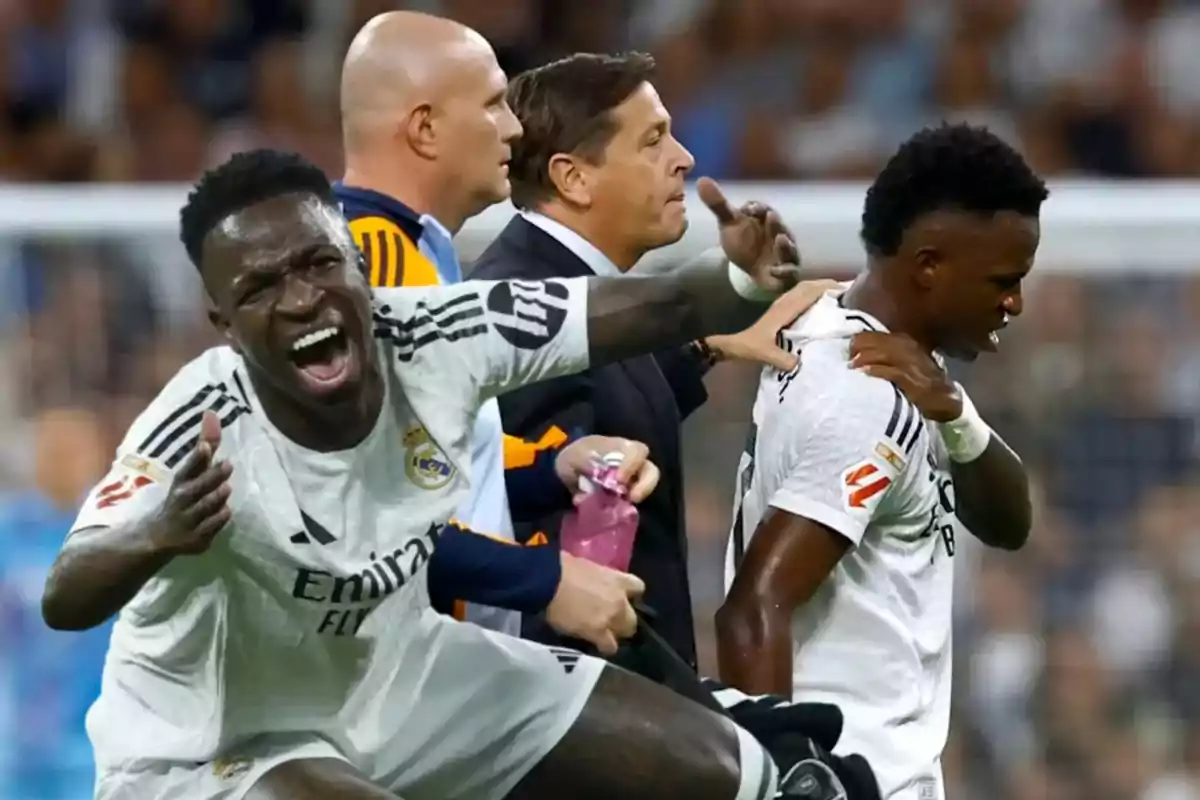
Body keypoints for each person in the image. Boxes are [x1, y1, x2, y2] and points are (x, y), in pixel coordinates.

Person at [41, 148, 834, 800]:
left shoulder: (438, 337)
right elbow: (67, 592)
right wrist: (155, 533)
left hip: (404, 678)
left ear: (357, 262)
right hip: (214, 744)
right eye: (259, 288)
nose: (302, 299)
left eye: (319, 263)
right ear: (223, 323)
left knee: (735, 773)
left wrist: (735, 280)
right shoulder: (202, 425)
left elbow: (652, 308)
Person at [716, 122, 1044, 800]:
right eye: (1003, 280)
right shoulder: (870, 394)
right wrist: (784, 777)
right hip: (855, 774)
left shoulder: (861, 340)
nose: (1014, 302)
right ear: (928, 266)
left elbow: (1011, 525)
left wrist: (955, 412)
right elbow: (753, 607)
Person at [471, 50, 826, 669]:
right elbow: (563, 551)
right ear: (573, 177)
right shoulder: (528, 309)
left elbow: (606, 396)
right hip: (586, 712)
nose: (684, 159)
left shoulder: (568, 289)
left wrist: (705, 346)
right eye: (654, 140)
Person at [336, 8, 654, 648]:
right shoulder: (370, 272)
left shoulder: (413, 257)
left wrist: (552, 466)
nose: (513, 127)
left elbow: (431, 470)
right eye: (493, 104)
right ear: (425, 128)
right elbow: (364, 520)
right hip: (394, 686)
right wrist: (545, 581)